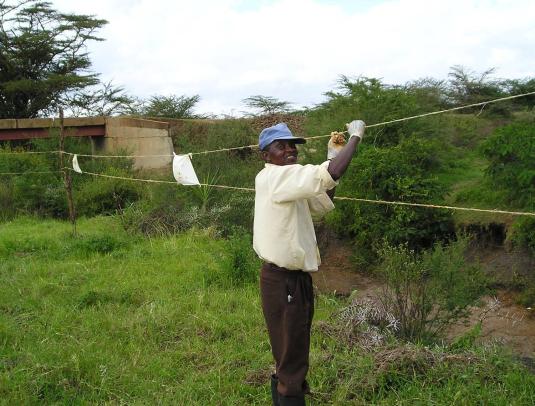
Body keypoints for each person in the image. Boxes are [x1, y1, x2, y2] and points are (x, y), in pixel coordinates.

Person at [253, 120, 366, 405]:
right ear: (266, 155)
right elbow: (330, 174)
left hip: (288, 280)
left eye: (293, 145)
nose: (290, 150)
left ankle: (284, 396)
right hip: (284, 281)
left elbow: (322, 198)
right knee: (293, 357)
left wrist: (331, 157)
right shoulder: (277, 177)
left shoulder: (286, 183)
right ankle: (289, 397)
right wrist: (355, 138)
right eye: (282, 146)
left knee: (290, 349)